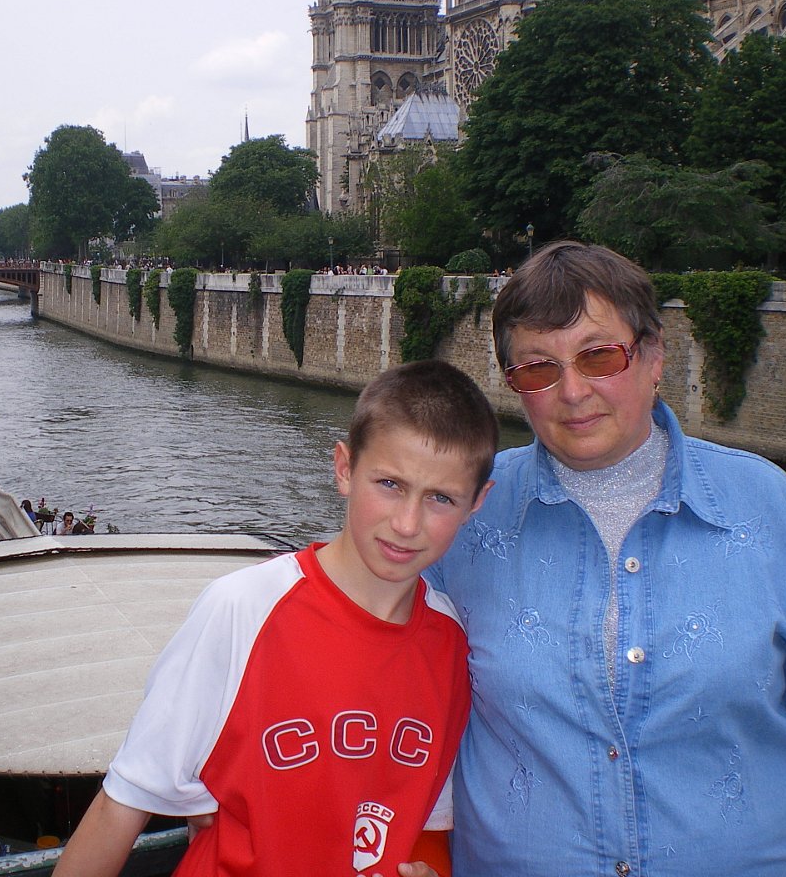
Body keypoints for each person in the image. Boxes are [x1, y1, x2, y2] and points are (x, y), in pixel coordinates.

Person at [422, 242, 786, 877]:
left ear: (655, 355)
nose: (573, 392)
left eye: (599, 356)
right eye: (538, 368)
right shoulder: (461, 517)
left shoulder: (773, 510)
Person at [52, 359, 498, 877]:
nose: (406, 523)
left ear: (476, 503)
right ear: (344, 469)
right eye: (390, 484)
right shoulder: (242, 609)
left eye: (440, 498)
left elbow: (426, 825)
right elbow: (121, 807)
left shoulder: (452, 644)